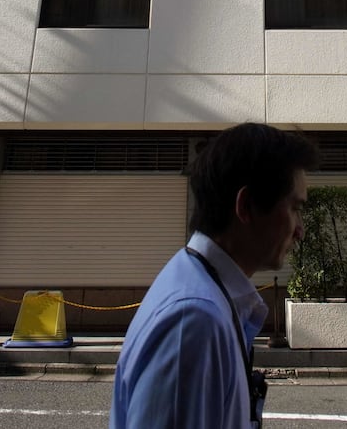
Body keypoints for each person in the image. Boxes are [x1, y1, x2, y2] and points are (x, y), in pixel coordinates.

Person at [111, 123, 318, 429]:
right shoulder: (194, 321)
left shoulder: (200, 288)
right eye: (294, 208)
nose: (300, 230)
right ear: (246, 206)